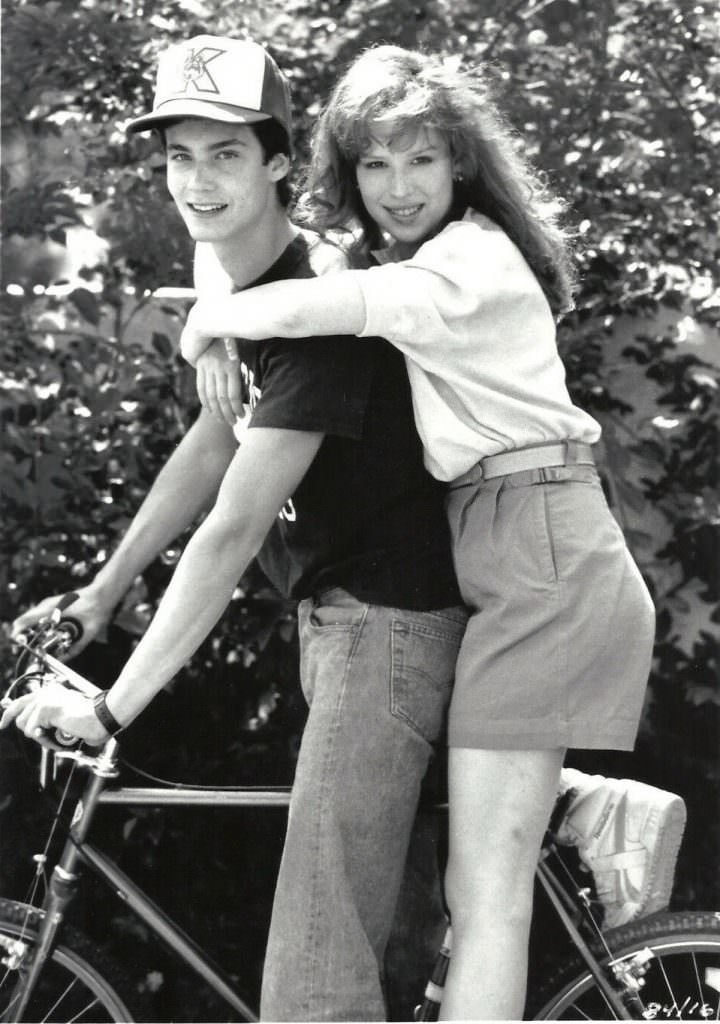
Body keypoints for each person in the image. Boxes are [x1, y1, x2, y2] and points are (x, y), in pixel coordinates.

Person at [176, 45, 683, 1019]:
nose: (397, 187)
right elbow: (240, 237)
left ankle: (577, 807)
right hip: (499, 549)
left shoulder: (465, 262)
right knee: (463, 847)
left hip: (542, 548)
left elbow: (323, 300)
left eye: (419, 161)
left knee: (483, 898)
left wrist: (212, 324)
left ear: (461, 165)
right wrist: (216, 296)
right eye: (374, 163)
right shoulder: (416, 253)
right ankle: (586, 807)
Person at [1, 35, 468, 1021]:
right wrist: (101, 592)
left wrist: (113, 708)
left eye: (224, 154)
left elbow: (230, 527)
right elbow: (211, 446)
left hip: (385, 629)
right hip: (343, 629)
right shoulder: (242, 297)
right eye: (179, 155)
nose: (197, 180)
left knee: (314, 978)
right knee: (374, 951)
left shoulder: (323, 312)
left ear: (280, 162)